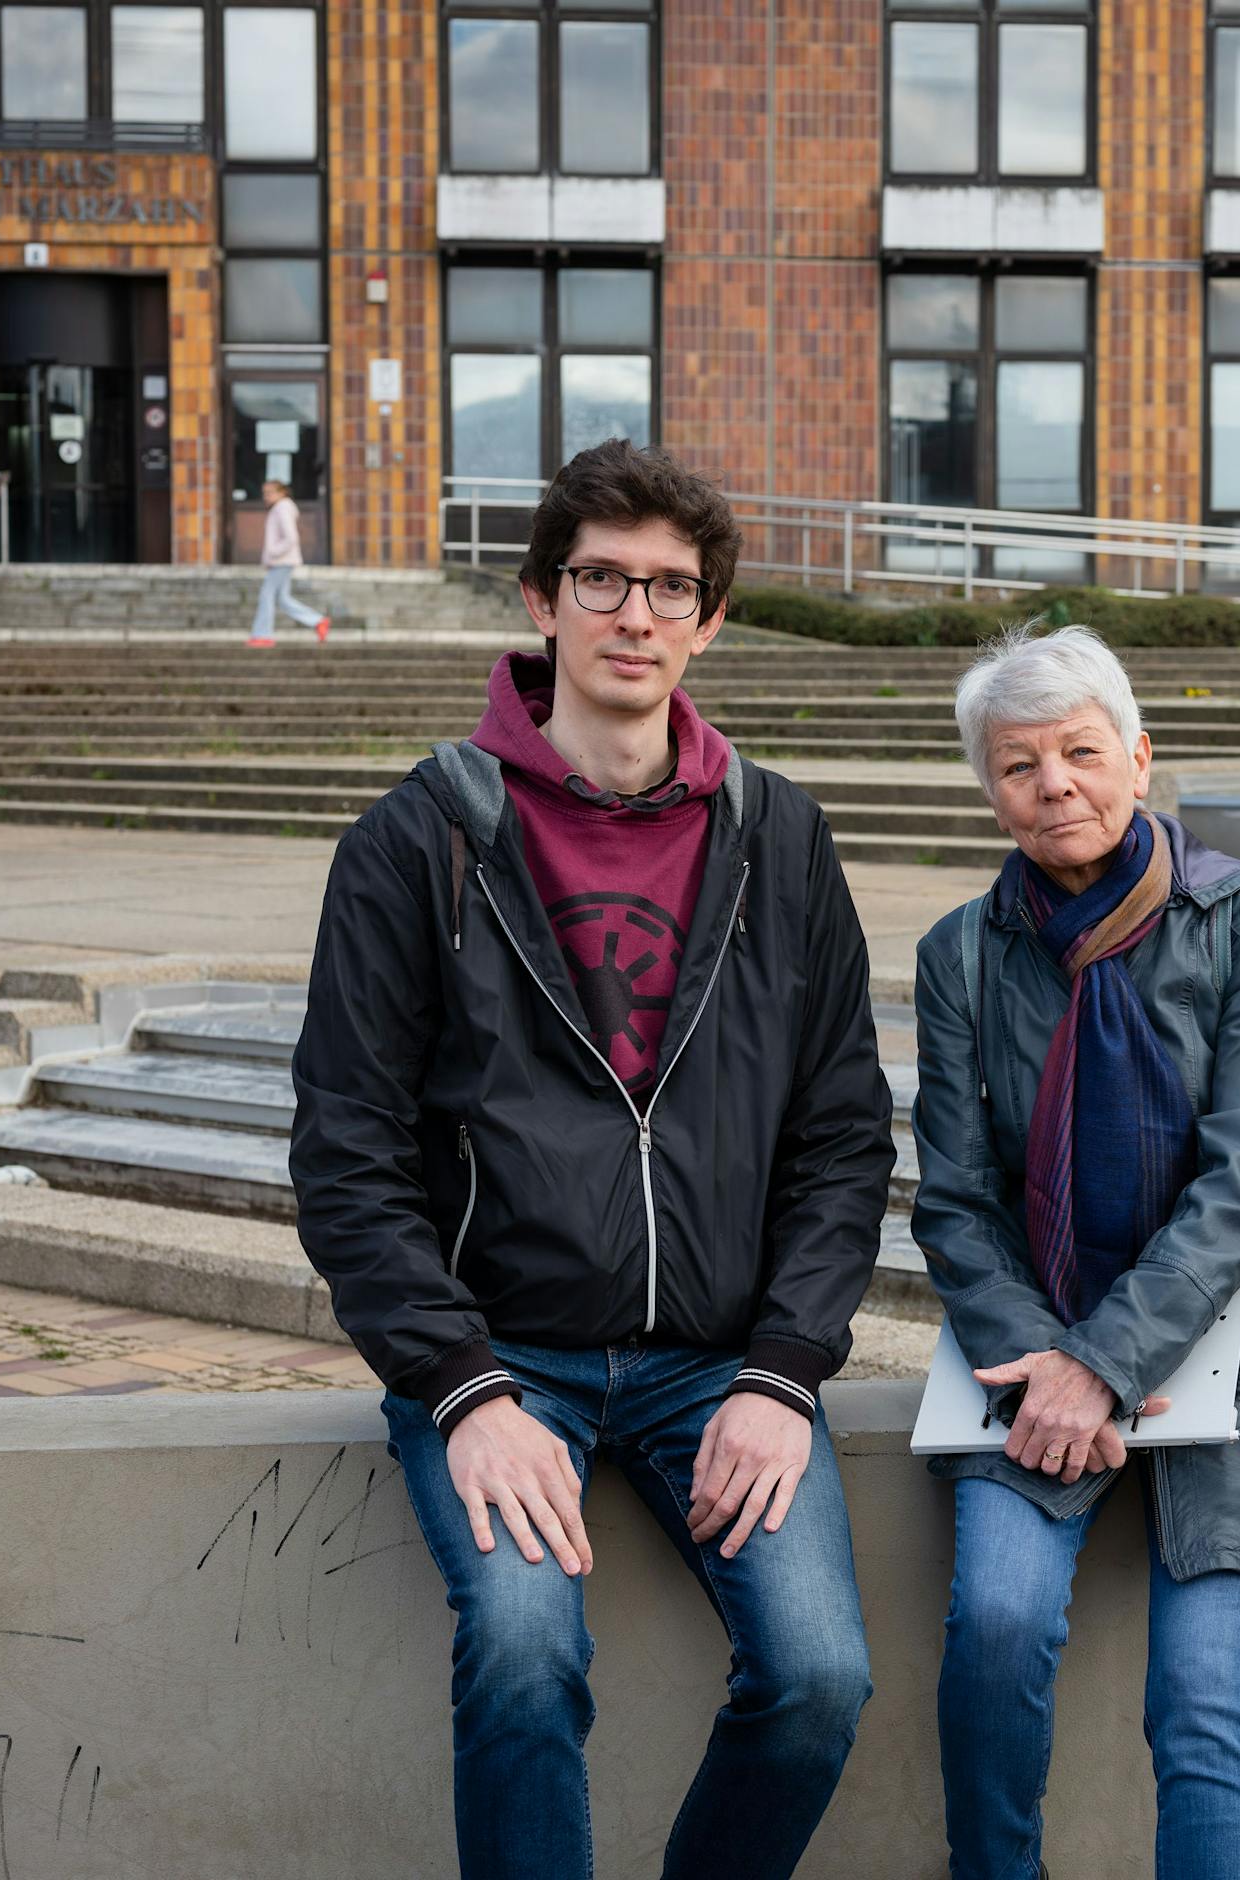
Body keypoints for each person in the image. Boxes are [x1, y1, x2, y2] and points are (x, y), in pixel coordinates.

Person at [290, 438, 894, 1880]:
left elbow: (842, 1131)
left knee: (817, 1679)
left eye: (670, 587)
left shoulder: (781, 838)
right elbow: (347, 1151)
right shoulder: (421, 837)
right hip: (507, 1360)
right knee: (520, 1658)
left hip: (720, 1361)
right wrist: (461, 1386)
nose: (636, 614)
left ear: (711, 620)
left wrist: (785, 1369)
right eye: (603, 579)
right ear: (541, 599)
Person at [911, 623, 1240, 1880]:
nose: (1054, 786)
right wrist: (1051, 1360)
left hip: (1237, 1338)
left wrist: (1104, 1358)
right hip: (1028, 1343)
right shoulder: (959, 956)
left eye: (1081, 753)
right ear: (988, 788)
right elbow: (952, 1197)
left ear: (1137, 758)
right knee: (990, 1628)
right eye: (1018, 765)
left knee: (1197, 1695)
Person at [250, 479, 330, 646]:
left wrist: (273, 553)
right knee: (283, 599)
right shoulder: (280, 508)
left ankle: (263, 634)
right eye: (264, 493)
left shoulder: (282, 508)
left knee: (267, 595)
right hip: (282, 560)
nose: (266, 496)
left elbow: (291, 538)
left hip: (282, 561)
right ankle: (318, 621)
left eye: (270, 492)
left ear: (282, 492)